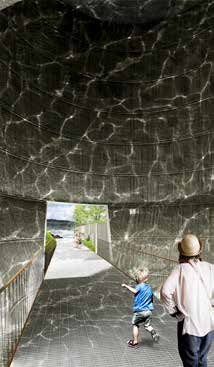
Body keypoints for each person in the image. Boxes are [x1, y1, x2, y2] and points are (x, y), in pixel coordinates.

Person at [161, 234, 214, 367]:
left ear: (181, 252)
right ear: (199, 250)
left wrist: (174, 311)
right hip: (208, 321)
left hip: (190, 324)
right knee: (202, 358)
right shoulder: (209, 267)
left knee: (190, 360)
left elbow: (165, 291)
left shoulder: (179, 270)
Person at [122, 267, 159, 348]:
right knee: (147, 326)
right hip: (148, 311)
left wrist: (126, 286)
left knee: (135, 325)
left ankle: (135, 342)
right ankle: (152, 330)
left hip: (139, 311)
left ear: (137, 279)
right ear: (146, 279)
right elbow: (151, 298)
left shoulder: (139, 286)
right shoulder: (149, 288)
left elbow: (135, 291)